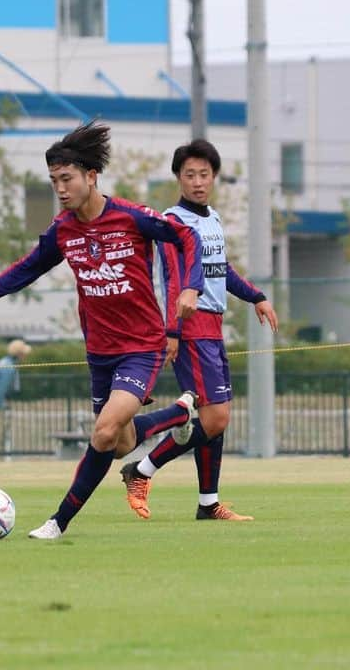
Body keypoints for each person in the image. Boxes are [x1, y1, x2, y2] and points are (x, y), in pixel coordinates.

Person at [0, 121, 204, 540]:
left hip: (141, 348)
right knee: (120, 442)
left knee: (102, 432)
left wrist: (190, 287)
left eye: (66, 179)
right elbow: (28, 267)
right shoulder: (64, 229)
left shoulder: (132, 217)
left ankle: (57, 522)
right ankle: (180, 412)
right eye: (54, 181)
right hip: (99, 352)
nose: (60, 188)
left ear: (91, 176)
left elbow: (187, 237)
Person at [120, 139, 278, 522]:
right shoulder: (174, 221)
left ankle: (208, 503)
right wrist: (173, 331)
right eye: (189, 174)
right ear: (178, 178)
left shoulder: (212, 218)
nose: (197, 181)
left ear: (215, 177)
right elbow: (176, 280)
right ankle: (140, 471)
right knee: (214, 417)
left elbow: (219, 272)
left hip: (213, 326)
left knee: (213, 416)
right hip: (190, 327)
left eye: (204, 174)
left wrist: (256, 296)